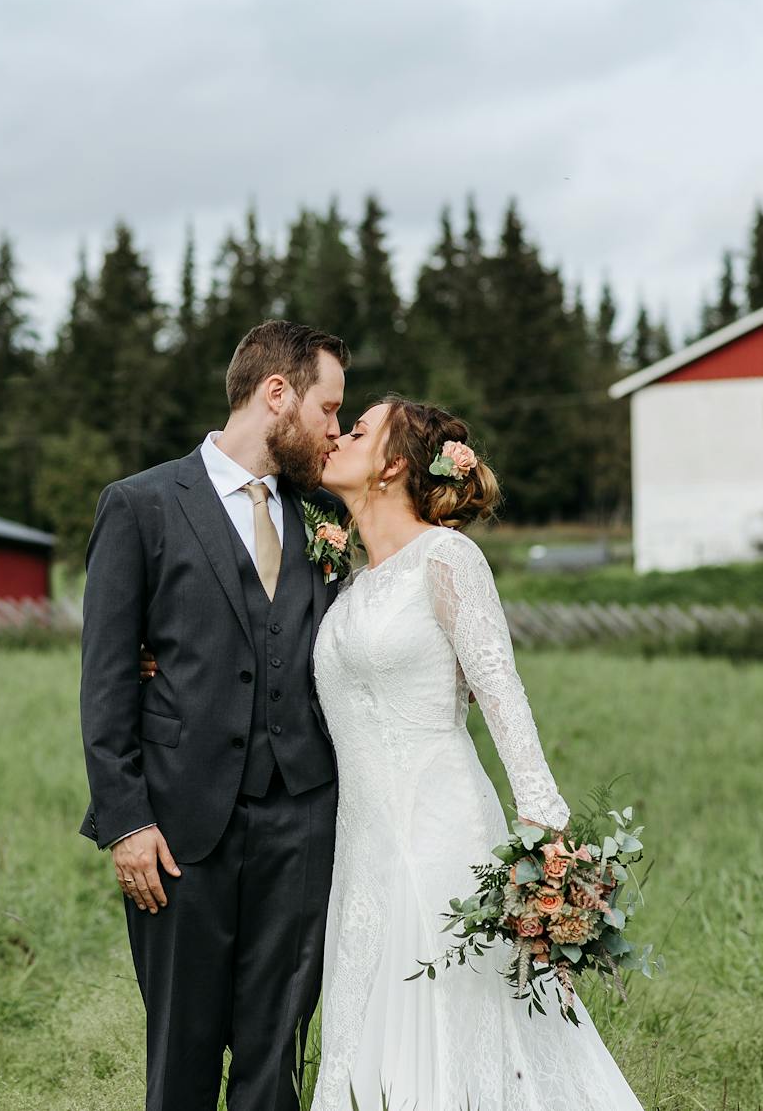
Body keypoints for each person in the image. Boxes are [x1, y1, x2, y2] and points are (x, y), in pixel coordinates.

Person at [308, 396, 644, 1110]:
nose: (337, 436)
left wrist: (547, 839)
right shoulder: (345, 581)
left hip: (442, 831)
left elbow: (501, 693)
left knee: (452, 1016)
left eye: (358, 430)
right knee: (366, 1031)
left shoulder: (448, 558)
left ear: (394, 463)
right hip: (362, 845)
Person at [77, 319, 349, 1111]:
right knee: (183, 1063)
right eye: (328, 409)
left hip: (303, 821)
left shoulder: (326, 513)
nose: (335, 429)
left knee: (276, 1062)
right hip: (176, 833)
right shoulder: (140, 506)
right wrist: (126, 822)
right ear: (276, 395)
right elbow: (104, 682)